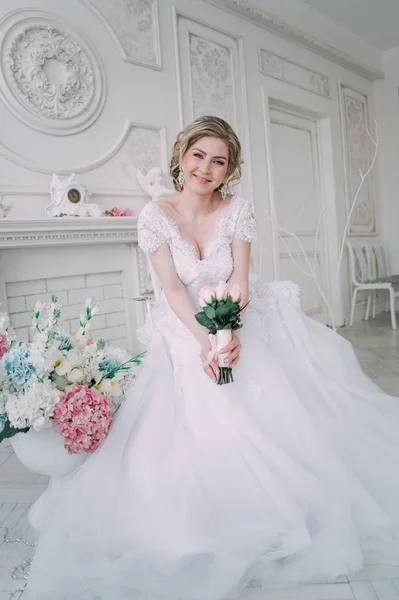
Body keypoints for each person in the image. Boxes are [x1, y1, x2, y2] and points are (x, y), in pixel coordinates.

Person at [25, 116, 399, 600]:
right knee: (199, 400)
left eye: (218, 161)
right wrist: (206, 341)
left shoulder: (238, 211)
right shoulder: (155, 216)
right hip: (182, 323)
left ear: (229, 169)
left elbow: (240, 281)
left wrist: (228, 331)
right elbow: (174, 289)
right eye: (199, 156)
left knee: (265, 393)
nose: (206, 167)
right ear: (181, 157)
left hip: (237, 313)